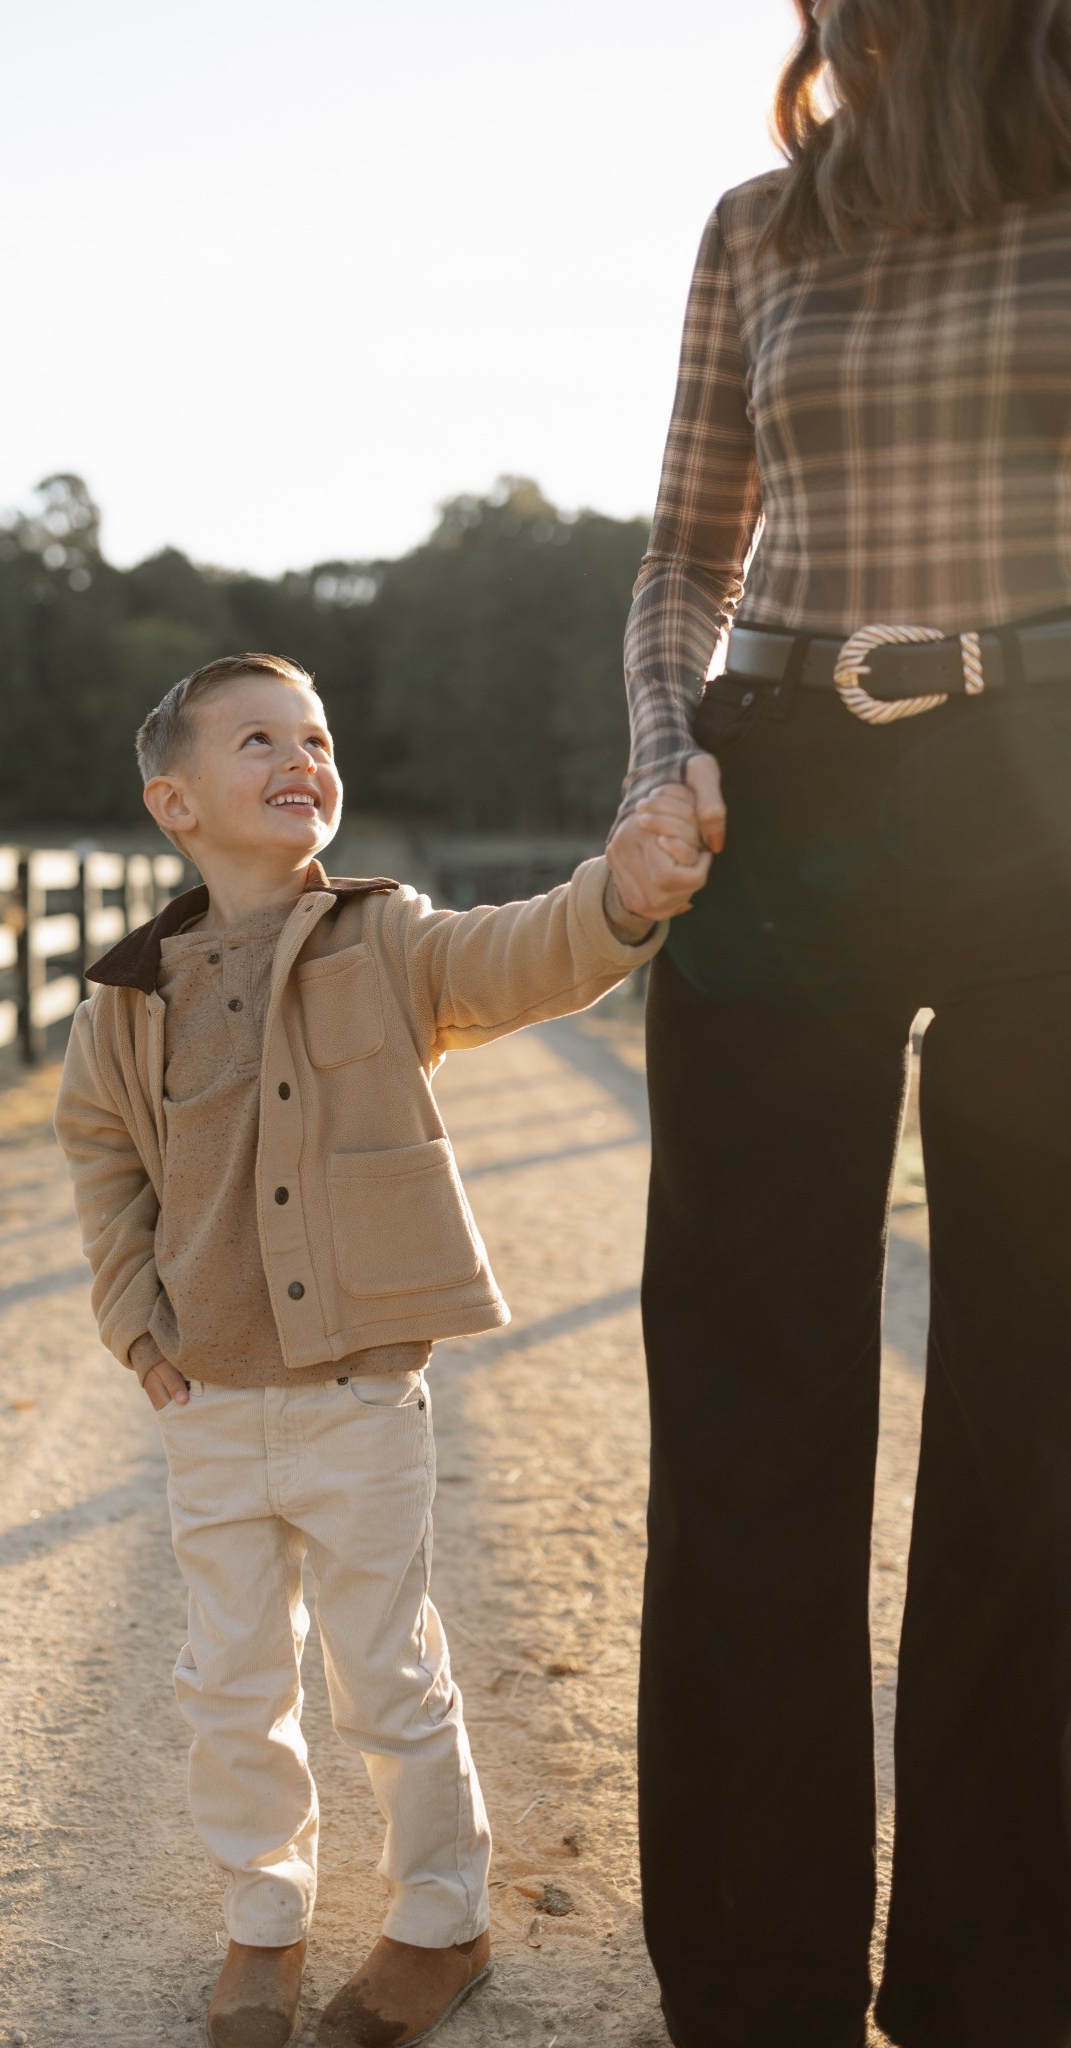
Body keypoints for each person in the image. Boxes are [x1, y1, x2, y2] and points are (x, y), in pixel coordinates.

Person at [602, 3, 1071, 2045]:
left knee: (1038, 1409)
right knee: (745, 1398)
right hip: (779, 788)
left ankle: (1001, 1986)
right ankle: (752, 1986)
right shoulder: (760, 225)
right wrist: (657, 759)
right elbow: (682, 555)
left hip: (1049, 782)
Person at [54, 652, 684, 2048]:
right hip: (208, 1400)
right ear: (174, 803)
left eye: (319, 738)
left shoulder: (386, 943)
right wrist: (134, 1327)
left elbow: (520, 951)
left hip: (356, 1394)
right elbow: (101, 1159)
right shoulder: (126, 1002)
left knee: (387, 1672)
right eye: (259, 740)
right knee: (229, 1683)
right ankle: (262, 1918)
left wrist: (620, 895)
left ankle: (441, 1920)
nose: (303, 758)